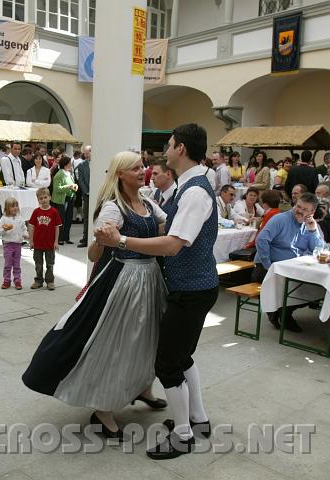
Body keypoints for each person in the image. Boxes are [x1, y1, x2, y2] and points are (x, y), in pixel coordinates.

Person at [23, 151, 167, 440]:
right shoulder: (114, 209)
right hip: (126, 281)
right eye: (135, 168)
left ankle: (143, 387)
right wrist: (102, 239)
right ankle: (103, 411)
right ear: (120, 175)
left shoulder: (149, 202)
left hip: (150, 277)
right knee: (121, 344)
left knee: (150, 338)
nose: (142, 171)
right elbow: (93, 252)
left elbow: (164, 230)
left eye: (143, 166)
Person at [95, 123, 218, 459]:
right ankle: (198, 419)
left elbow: (173, 246)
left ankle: (182, 436)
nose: (164, 151)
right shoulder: (191, 183)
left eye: (168, 144)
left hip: (191, 289)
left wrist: (120, 240)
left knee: (167, 363)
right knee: (182, 356)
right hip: (194, 285)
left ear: (180, 148)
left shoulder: (193, 191)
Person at [253, 192, 323, 332]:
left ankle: (282, 312)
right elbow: (261, 240)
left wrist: (312, 230)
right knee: (296, 287)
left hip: (294, 269)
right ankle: (282, 314)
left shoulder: (309, 224)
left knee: (318, 288)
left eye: (304, 209)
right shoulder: (280, 219)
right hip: (267, 268)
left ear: (312, 212)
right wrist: (269, 265)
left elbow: (318, 250)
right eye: (298, 206)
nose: (299, 210)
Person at [28, 188, 61, 290]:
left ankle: (50, 281)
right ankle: (38, 280)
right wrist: (31, 241)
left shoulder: (54, 212)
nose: (44, 200)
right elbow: (31, 226)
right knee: (38, 263)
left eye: (45, 197)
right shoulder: (36, 212)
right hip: (38, 243)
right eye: (41, 198)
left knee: (50, 264)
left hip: (50, 244)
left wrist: (56, 241)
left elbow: (57, 227)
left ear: (50, 197)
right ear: (38, 200)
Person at [0, 197, 27, 290]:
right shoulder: (3, 219)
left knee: (17, 264)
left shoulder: (20, 219)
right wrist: (4, 229)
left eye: (16, 206)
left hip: (18, 244)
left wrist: (26, 235)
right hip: (8, 245)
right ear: (6, 208)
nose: (15, 208)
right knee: (8, 264)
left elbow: (24, 229)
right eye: (12, 206)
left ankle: (17, 281)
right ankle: (6, 281)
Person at [51, 156, 78, 245]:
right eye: (69, 163)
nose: (71, 165)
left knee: (68, 219)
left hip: (70, 198)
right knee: (61, 220)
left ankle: (66, 237)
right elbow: (57, 189)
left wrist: (74, 186)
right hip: (62, 200)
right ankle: (60, 239)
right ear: (65, 164)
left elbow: (72, 184)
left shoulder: (68, 173)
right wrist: (69, 187)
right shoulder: (59, 174)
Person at [75, 148, 91, 247]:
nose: (86, 155)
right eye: (84, 154)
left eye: (87, 153)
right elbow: (80, 180)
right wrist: (87, 191)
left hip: (98, 194)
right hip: (87, 195)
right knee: (86, 216)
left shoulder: (99, 163)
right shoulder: (81, 165)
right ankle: (86, 238)